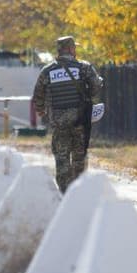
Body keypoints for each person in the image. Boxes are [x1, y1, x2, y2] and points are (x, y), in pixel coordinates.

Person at [32, 35, 103, 193]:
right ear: (71, 49)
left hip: (59, 123)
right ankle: (78, 192)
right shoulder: (83, 67)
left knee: (62, 158)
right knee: (79, 157)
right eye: (74, 47)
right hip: (79, 120)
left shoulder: (48, 71)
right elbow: (96, 87)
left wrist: (41, 110)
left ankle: (64, 192)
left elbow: (38, 95)